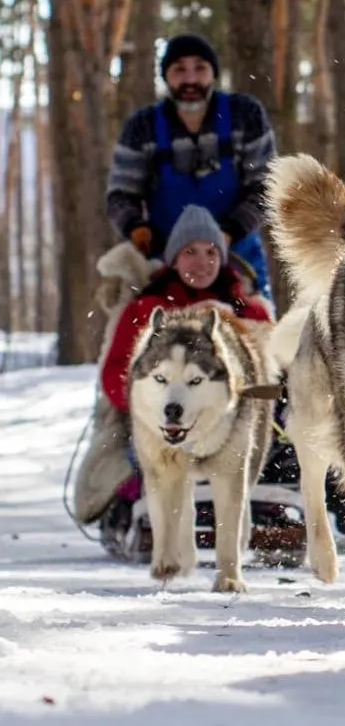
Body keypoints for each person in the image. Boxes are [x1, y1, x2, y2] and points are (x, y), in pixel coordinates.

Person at [83, 206, 276, 560]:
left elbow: (276, 365)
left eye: (211, 252)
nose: (201, 262)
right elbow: (116, 373)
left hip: (232, 422)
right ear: (173, 258)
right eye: (190, 252)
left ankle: (263, 511)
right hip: (161, 422)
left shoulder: (247, 308)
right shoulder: (146, 309)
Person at [106, 33, 279, 309]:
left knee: (256, 341)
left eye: (200, 68)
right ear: (166, 77)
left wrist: (228, 233)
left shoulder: (245, 117)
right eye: (179, 70)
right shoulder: (142, 127)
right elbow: (120, 195)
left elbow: (267, 187)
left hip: (239, 257)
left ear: (213, 73)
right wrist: (137, 228)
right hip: (168, 262)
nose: (190, 80)